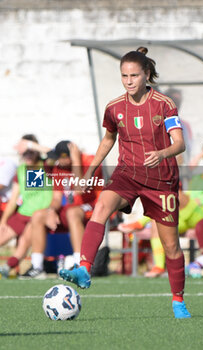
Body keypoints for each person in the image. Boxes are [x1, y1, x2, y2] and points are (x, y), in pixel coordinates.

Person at [59, 47, 191, 319]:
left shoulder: (164, 105)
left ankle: (178, 300)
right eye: (124, 76)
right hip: (127, 175)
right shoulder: (115, 107)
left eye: (134, 75)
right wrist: (89, 173)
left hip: (161, 180)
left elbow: (179, 143)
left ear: (146, 75)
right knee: (101, 207)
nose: (129, 81)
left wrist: (162, 153)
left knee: (171, 247)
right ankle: (84, 267)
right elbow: (108, 140)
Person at [20, 140, 102, 279]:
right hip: (72, 210)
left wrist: (76, 161)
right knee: (39, 215)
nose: (57, 161)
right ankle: (37, 267)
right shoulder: (60, 167)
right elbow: (57, 197)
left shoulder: (90, 161)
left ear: (67, 156)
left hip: (94, 208)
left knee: (72, 212)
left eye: (60, 157)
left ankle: (80, 265)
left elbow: (79, 190)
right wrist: (51, 211)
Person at [0, 135, 52, 278]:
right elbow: (13, 200)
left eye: (31, 151)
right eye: (25, 152)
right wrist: (4, 221)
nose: (28, 155)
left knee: (23, 243)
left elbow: (52, 152)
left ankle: (6, 268)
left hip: (39, 215)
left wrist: (30, 144)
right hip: (23, 213)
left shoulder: (47, 166)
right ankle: (6, 268)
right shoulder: (21, 169)